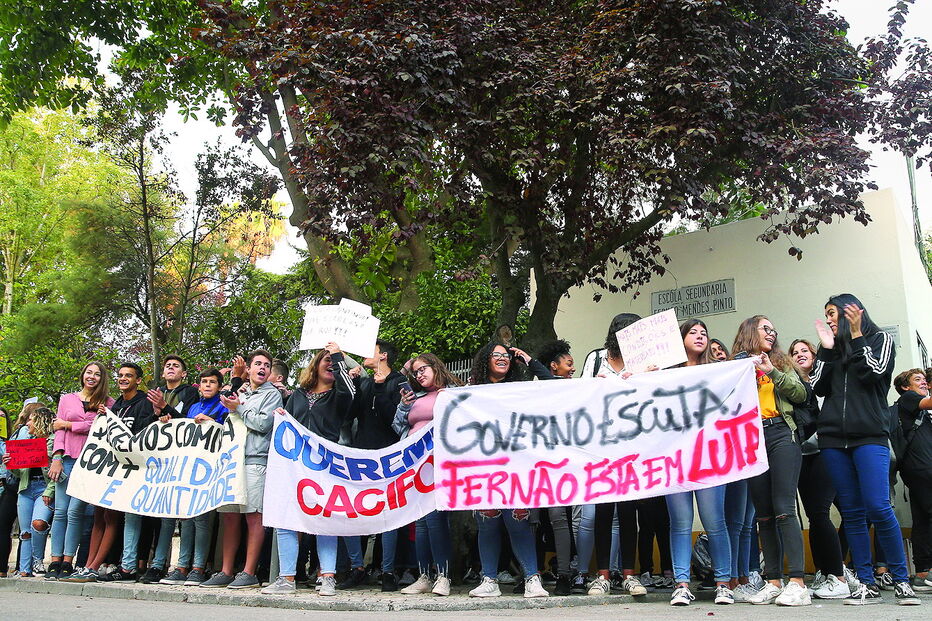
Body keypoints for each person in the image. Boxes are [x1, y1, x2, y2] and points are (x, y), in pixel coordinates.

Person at [811, 293, 920, 606]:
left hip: (870, 436)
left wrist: (857, 337)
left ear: (850, 312)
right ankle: (866, 583)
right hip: (833, 440)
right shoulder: (828, 347)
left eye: (833, 313)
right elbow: (818, 386)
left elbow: (875, 372)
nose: (829, 320)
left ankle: (901, 581)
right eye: (826, 314)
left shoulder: (879, 338)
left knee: (878, 505)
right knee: (853, 513)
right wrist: (828, 351)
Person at [262, 342, 354, 596]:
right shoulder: (298, 395)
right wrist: (282, 415)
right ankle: (286, 578)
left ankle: (327, 577)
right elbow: (289, 425)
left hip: (325, 466)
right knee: (286, 517)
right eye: (325, 360)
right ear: (315, 365)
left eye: (334, 363)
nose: (330, 364)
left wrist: (337, 355)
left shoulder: (340, 396)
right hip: (293, 467)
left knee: (324, 518)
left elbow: (349, 387)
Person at [731, 316, 810, 606]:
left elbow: (800, 394)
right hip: (752, 440)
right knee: (762, 513)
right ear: (750, 331)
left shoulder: (782, 361)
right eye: (766, 328)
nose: (772, 332)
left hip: (781, 433)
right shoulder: (734, 366)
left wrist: (772, 371)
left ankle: (798, 582)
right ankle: (773, 580)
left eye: (774, 329)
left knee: (783, 508)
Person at [466, 340, 550, 599]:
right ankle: (489, 579)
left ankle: (532, 580)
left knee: (518, 523)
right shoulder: (472, 390)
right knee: (487, 522)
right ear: (485, 360)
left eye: (506, 356)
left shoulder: (520, 389)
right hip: (484, 466)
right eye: (496, 354)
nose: (502, 358)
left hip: (516, 466)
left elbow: (553, 385)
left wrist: (529, 360)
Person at [201, 349, 283, 589]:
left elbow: (263, 424)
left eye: (266, 365)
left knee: (253, 517)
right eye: (257, 363)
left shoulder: (273, 395)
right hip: (232, 460)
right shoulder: (241, 391)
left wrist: (240, 408)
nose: (262, 368)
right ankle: (226, 570)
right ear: (248, 369)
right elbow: (226, 413)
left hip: (255, 460)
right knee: (229, 516)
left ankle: (249, 572)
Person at [582, 313, 650, 597]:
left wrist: (650, 377)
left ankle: (629, 574)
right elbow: (580, 395)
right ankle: (602, 575)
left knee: (628, 511)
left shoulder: (643, 363)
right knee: (603, 509)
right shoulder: (596, 359)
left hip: (633, 446)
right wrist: (595, 385)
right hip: (602, 445)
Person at [666, 319, 732, 606]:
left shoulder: (718, 371)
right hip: (674, 458)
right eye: (692, 332)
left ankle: (723, 583)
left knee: (715, 522)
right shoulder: (664, 374)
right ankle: (681, 584)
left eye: (703, 333)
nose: (699, 336)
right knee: (680, 523)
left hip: (709, 458)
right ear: (680, 340)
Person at [390, 353, 461, 596]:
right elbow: (399, 426)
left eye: (423, 369)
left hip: (440, 464)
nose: (419, 374)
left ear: (436, 366)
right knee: (420, 522)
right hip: (415, 467)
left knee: (435, 520)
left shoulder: (452, 393)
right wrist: (403, 406)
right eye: (416, 372)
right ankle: (424, 576)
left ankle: (443, 576)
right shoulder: (415, 396)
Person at [341, 339, 406, 591]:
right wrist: (355, 383)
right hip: (361, 455)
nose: (365, 355)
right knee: (352, 510)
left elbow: (394, 419)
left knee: (388, 515)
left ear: (384, 356)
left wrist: (379, 391)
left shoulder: (399, 382)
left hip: (388, 456)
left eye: (372, 351)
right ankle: (357, 567)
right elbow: (350, 413)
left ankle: (388, 571)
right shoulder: (365, 382)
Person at [159, 368, 230, 587]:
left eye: (212, 382)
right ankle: (182, 567)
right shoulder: (193, 407)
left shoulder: (223, 405)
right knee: (186, 518)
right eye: (204, 381)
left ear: (219, 386)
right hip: (188, 469)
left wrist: (211, 421)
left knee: (202, 519)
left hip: (209, 469)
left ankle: (198, 568)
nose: (207, 385)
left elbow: (228, 428)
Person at [789, 338, 849, 599]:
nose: (800, 354)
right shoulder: (791, 386)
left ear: (815, 355)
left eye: (805, 350)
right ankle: (825, 573)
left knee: (826, 512)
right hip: (802, 453)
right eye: (795, 352)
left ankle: (838, 574)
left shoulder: (826, 381)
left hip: (827, 450)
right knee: (814, 515)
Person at [47, 362, 114, 580]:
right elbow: (57, 430)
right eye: (89, 372)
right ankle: (54, 560)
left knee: (76, 512)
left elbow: (97, 427)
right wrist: (56, 457)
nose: (92, 377)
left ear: (102, 378)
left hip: (90, 463)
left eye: (97, 374)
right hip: (66, 458)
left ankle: (69, 560)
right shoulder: (67, 399)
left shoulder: (108, 403)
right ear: (82, 375)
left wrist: (68, 424)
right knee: (60, 512)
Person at [140, 355, 200, 584]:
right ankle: (157, 565)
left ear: (184, 374)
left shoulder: (190, 394)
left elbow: (188, 423)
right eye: (168, 366)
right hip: (158, 461)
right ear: (163, 373)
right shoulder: (153, 395)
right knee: (162, 515)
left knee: (184, 516)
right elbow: (143, 425)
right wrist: (156, 414)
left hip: (184, 460)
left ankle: (183, 566)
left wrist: (167, 409)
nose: (171, 368)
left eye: (176, 366)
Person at [97, 363, 160, 583]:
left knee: (132, 515)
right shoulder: (115, 407)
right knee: (115, 515)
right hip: (116, 470)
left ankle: (129, 567)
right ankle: (118, 563)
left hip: (137, 469)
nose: (123, 379)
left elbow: (144, 432)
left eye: (129, 376)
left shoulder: (144, 404)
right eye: (121, 375)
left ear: (138, 380)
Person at [533, 340, 575, 595]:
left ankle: (564, 576)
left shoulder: (572, 388)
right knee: (534, 520)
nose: (573, 368)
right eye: (568, 363)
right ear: (553, 366)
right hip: (534, 462)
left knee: (558, 517)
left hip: (560, 465)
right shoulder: (532, 389)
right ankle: (533, 573)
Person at [892, 369, 932, 593]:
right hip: (922, 467)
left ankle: (923, 572)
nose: (923, 382)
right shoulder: (909, 399)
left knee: (922, 518)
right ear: (905, 387)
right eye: (918, 380)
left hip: (916, 469)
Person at [4, 406, 55, 576]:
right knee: (25, 532)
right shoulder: (27, 442)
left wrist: (50, 491)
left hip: (44, 488)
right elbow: (20, 472)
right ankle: (25, 569)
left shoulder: (52, 441)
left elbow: (56, 473)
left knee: (38, 524)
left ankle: (38, 561)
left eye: (31, 420)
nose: (28, 423)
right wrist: (10, 464)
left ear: (40, 421)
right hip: (25, 488)